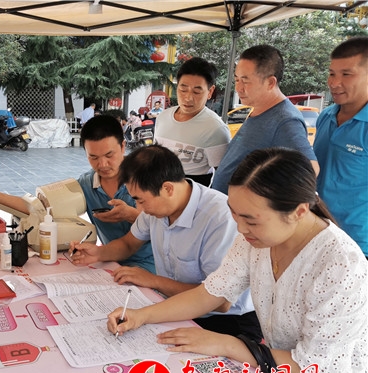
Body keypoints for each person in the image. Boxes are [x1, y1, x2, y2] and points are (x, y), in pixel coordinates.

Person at [108, 148, 368, 373]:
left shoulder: (340, 264)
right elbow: (210, 293)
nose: (240, 229)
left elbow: (313, 371)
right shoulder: (255, 240)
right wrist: (142, 316)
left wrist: (228, 344)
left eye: (251, 221)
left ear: (298, 211)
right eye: (234, 213)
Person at [71, 145, 260, 340]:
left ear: (168, 188)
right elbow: (129, 244)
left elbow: (220, 302)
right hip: (173, 305)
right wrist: (98, 253)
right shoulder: (157, 208)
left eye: (141, 200)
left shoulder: (219, 218)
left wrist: (153, 281)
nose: (138, 208)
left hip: (224, 320)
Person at [0, 114, 155, 272]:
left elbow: (165, 225)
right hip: (110, 262)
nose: (102, 164)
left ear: (123, 146)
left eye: (109, 155)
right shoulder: (86, 183)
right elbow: (39, 207)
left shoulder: (146, 177)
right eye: (93, 157)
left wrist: (132, 215)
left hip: (151, 266)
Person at [211, 45, 319, 194]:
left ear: (270, 83)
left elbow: (310, 170)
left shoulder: (285, 121)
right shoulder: (259, 109)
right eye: (236, 80)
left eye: (245, 81)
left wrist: (259, 200)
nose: (238, 88)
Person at [315, 36, 368, 258]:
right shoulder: (326, 116)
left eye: (346, 74)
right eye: (332, 73)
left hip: (358, 244)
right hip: (318, 233)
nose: (334, 83)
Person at [154, 56, 230, 186]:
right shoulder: (162, 118)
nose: (188, 98)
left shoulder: (216, 129)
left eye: (196, 92)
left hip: (193, 195)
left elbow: (223, 177)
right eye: (183, 90)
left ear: (210, 91)